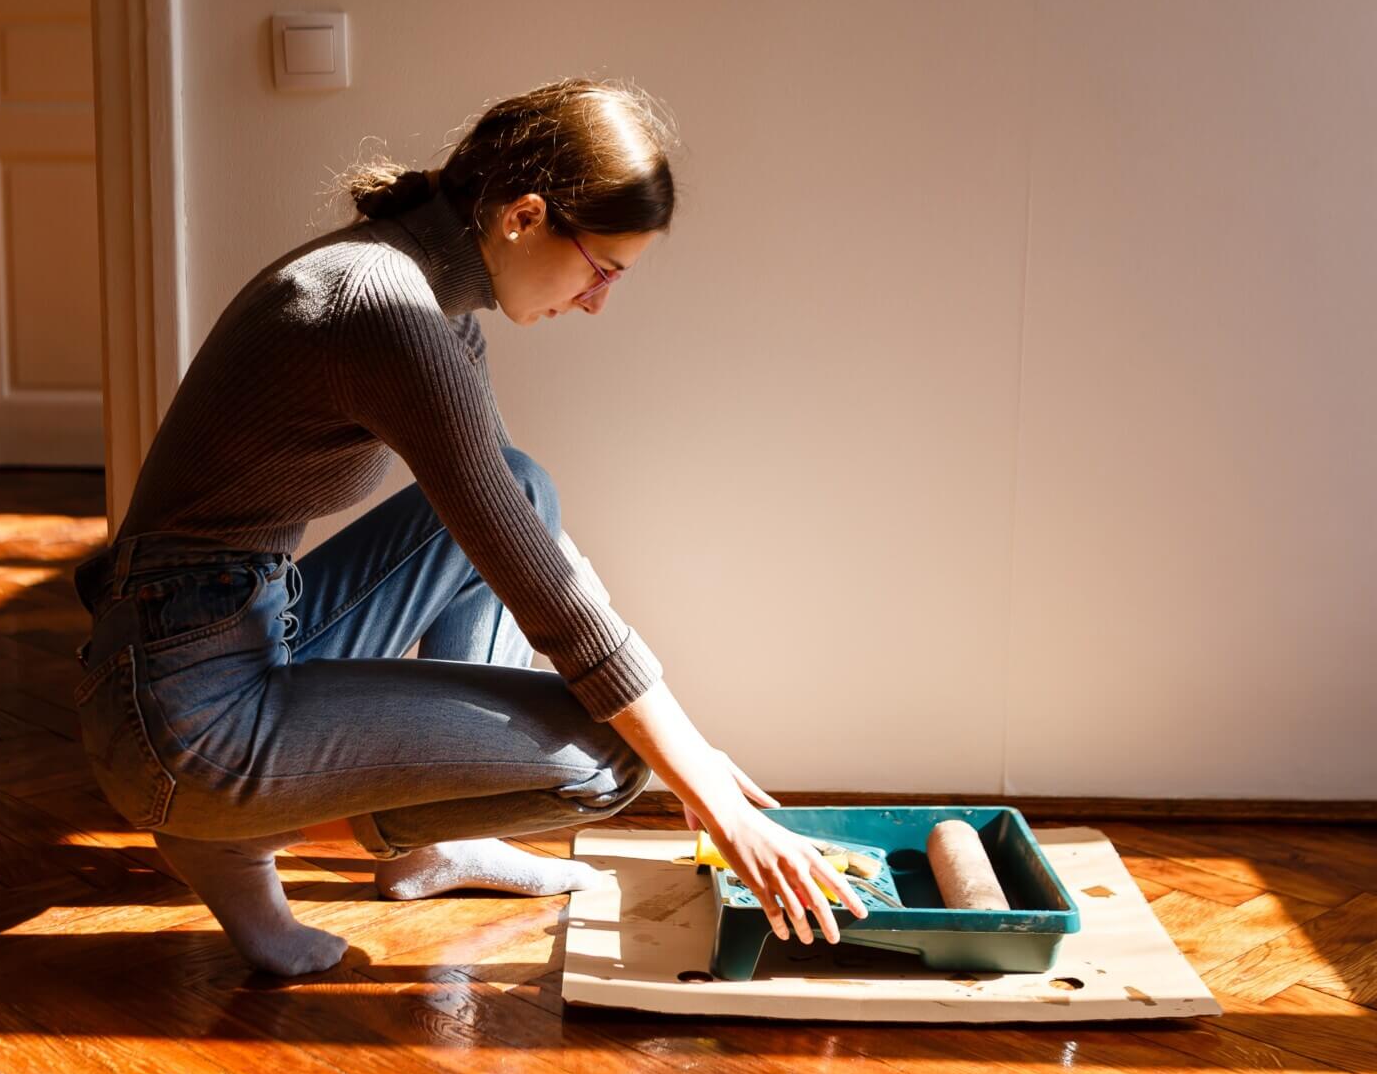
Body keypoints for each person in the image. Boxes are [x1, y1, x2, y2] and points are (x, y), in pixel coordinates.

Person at [69, 78, 867, 977]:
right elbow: (541, 589)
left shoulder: (427, 302)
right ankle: (219, 830)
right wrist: (703, 789)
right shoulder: (381, 307)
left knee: (521, 483)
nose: (599, 301)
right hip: (177, 718)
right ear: (525, 217)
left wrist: (695, 753)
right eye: (602, 269)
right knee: (607, 762)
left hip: (234, 625)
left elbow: (512, 522)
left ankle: (428, 850)